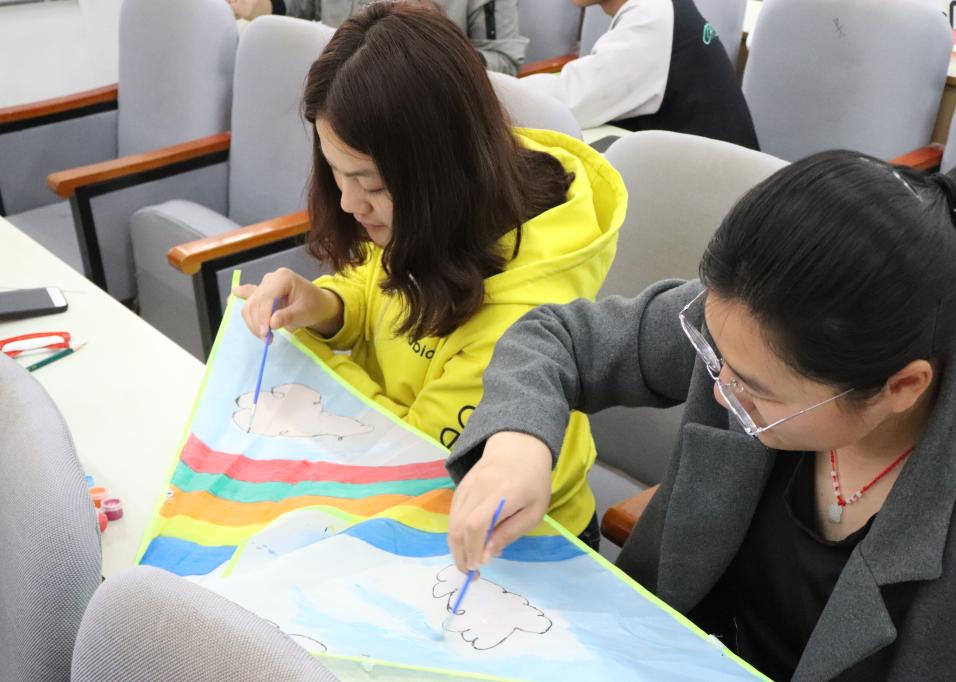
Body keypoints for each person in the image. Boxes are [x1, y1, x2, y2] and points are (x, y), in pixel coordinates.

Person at [446, 150, 956, 678]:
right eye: (715, 357)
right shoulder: (748, 327)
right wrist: (517, 445)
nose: (721, 390)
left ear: (901, 388)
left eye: (757, 391)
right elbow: (559, 339)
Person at [234, 1, 625, 548]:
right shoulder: (435, 212)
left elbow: (413, 458)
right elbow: (377, 283)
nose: (348, 203)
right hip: (412, 492)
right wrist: (323, 307)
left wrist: (305, 357)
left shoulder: (520, 315)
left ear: (440, 170)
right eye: (337, 173)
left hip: (517, 542)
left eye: (370, 184)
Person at [522, 0, 758, 148]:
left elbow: (569, 102)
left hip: (714, 193)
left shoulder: (651, 18)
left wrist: (503, 90)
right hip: (691, 171)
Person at [228, 0, 528, 75]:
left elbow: (504, 61)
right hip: (333, 96)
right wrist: (265, 5)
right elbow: (304, 5)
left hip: (428, 115)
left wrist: (433, 54)